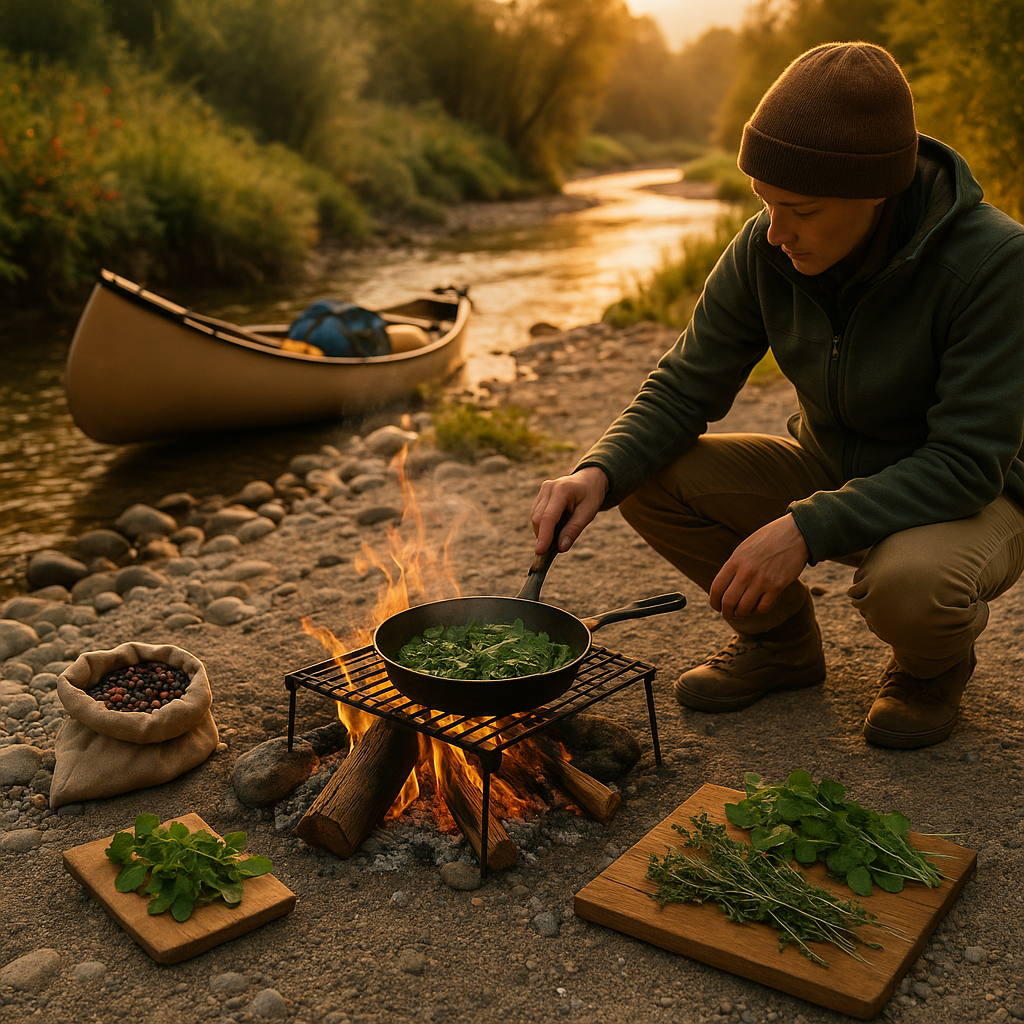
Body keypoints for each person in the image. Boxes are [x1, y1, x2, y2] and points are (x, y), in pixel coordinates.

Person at [530, 41, 1024, 750]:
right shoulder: (766, 247)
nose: (775, 230)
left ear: (877, 193)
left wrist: (804, 529)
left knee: (910, 585)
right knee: (644, 472)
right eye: (765, 203)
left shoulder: (995, 264)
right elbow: (684, 385)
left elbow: (967, 463)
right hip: (831, 464)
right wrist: (596, 471)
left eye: (801, 209)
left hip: (976, 497)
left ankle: (931, 669)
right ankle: (781, 644)